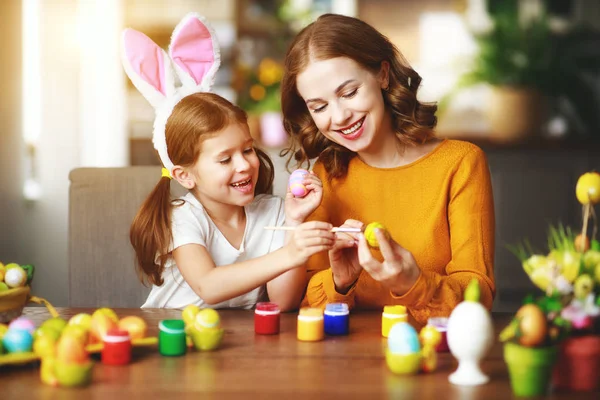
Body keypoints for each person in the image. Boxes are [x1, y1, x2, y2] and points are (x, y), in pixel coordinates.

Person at [280, 14, 495, 325]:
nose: (338, 117)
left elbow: (480, 295)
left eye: (349, 92)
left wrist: (413, 284)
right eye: (319, 106)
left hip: (433, 353)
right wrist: (340, 281)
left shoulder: (461, 163)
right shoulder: (325, 175)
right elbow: (308, 299)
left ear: (382, 74)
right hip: (346, 360)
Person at [122, 14, 334, 310]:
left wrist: (295, 225)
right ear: (185, 176)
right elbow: (209, 286)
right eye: (225, 159)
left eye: (247, 150)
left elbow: (282, 301)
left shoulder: (274, 213)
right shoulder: (182, 217)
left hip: (234, 344)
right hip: (171, 338)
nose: (245, 165)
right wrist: (290, 254)